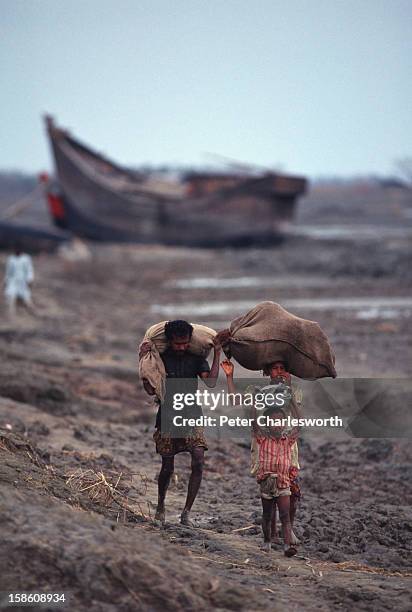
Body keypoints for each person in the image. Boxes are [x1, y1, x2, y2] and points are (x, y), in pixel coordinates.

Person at [139, 320, 221, 526]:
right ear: (170, 341)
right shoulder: (161, 359)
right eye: (177, 344)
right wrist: (143, 358)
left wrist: (217, 354)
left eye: (185, 343)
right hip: (167, 416)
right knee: (167, 467)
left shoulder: (196, 359)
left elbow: (210, 382)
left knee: (199, 461)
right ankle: (160, 505)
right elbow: (150, 390)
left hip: (192, 414)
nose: (182, 347)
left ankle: (186, 513)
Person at [220, 359, 302, 547]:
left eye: (283, 368)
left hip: (287, 446)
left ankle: (287, 530)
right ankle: (272, 534)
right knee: (270, 490)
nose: (279, 372)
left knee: (291, 491)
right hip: (264, 445)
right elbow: (235, 401)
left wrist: (287, 390)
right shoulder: (256, 391)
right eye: (275, 369)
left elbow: (298, 416)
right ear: (267, 371)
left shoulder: (293, 390)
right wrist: (230, 376)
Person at [252, 403, 300, 556]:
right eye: (273, 421)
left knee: (284, 515)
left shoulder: (288, 440)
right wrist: (254, 403)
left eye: (280, 421)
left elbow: (300, 423)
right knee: (267, 514)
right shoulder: (262, 438)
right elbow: (253, 422)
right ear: (266, 424)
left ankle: (287, 546)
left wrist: (292, 403)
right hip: (267, 481)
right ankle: (267, 542)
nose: (277, 425)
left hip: (284, 482)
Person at [4, 246, 35, 317]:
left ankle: (33, 312)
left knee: (27, 298)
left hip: (23, 281)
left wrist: (30, 280)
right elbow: (8, 272)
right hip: (13, 281)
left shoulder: (26, 258)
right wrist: (6, 281)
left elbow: (29, 270)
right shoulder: (11, 259)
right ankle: (11, 314)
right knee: (11, 296)